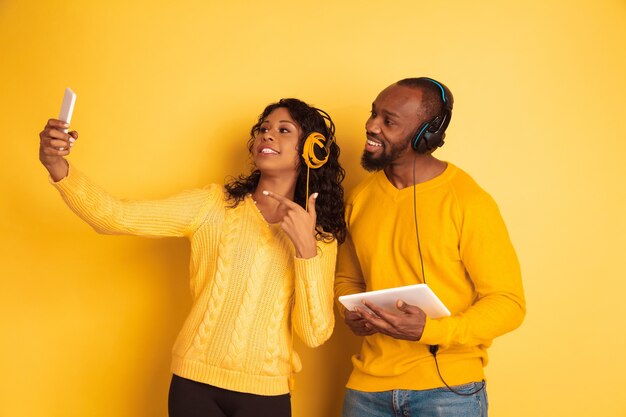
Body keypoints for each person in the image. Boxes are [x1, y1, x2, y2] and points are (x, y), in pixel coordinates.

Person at [38, 98, 346, 417]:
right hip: (194, 384)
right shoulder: (212, 205)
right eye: (264, 129)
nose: (268, 135)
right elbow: (114, 216)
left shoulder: (319, 237)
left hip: (266, 393)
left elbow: (314, 333)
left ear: (313, 150)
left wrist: (305, 249)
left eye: (284, 130)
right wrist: (58, 166)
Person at [334, 77, 526, 417]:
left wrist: (431, 330)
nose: (371, 126)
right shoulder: (360, 199)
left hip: (448, 392)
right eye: (373, 114)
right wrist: (352, 314)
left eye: (388, 121)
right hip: (366, 391)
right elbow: (347, 282)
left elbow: (508, 303)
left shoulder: (469, 201)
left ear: (426, 135)